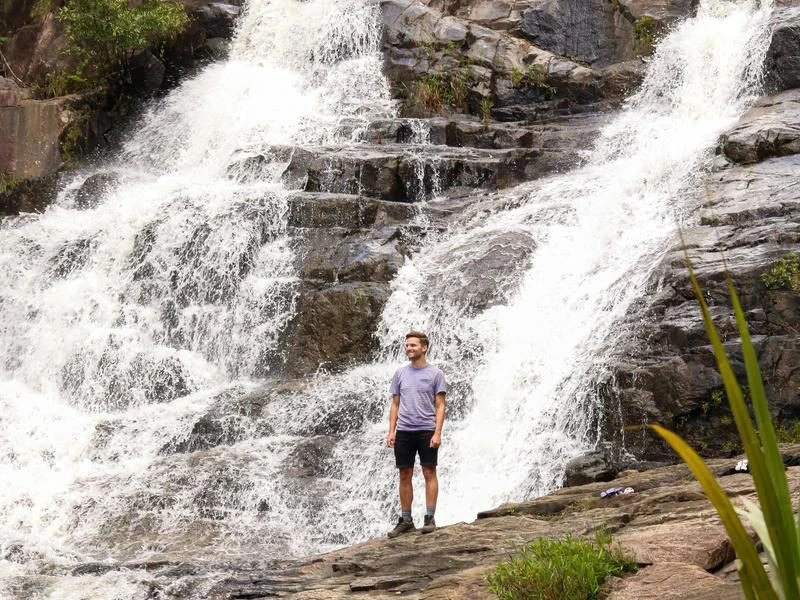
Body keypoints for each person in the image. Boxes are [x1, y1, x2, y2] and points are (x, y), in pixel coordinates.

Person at [385, 330, 447, 537]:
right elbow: (395, 404)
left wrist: (437, 432)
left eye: (413, 345)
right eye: (407, 345)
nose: (409, 348)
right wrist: (391, 431)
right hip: (404, 430)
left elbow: (440, 405)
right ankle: (406, 520)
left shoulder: (435, 374)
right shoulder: (400, 373)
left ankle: (429, 518)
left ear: (424, 348)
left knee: (429, 472)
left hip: (426, 430)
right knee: (405, 473)